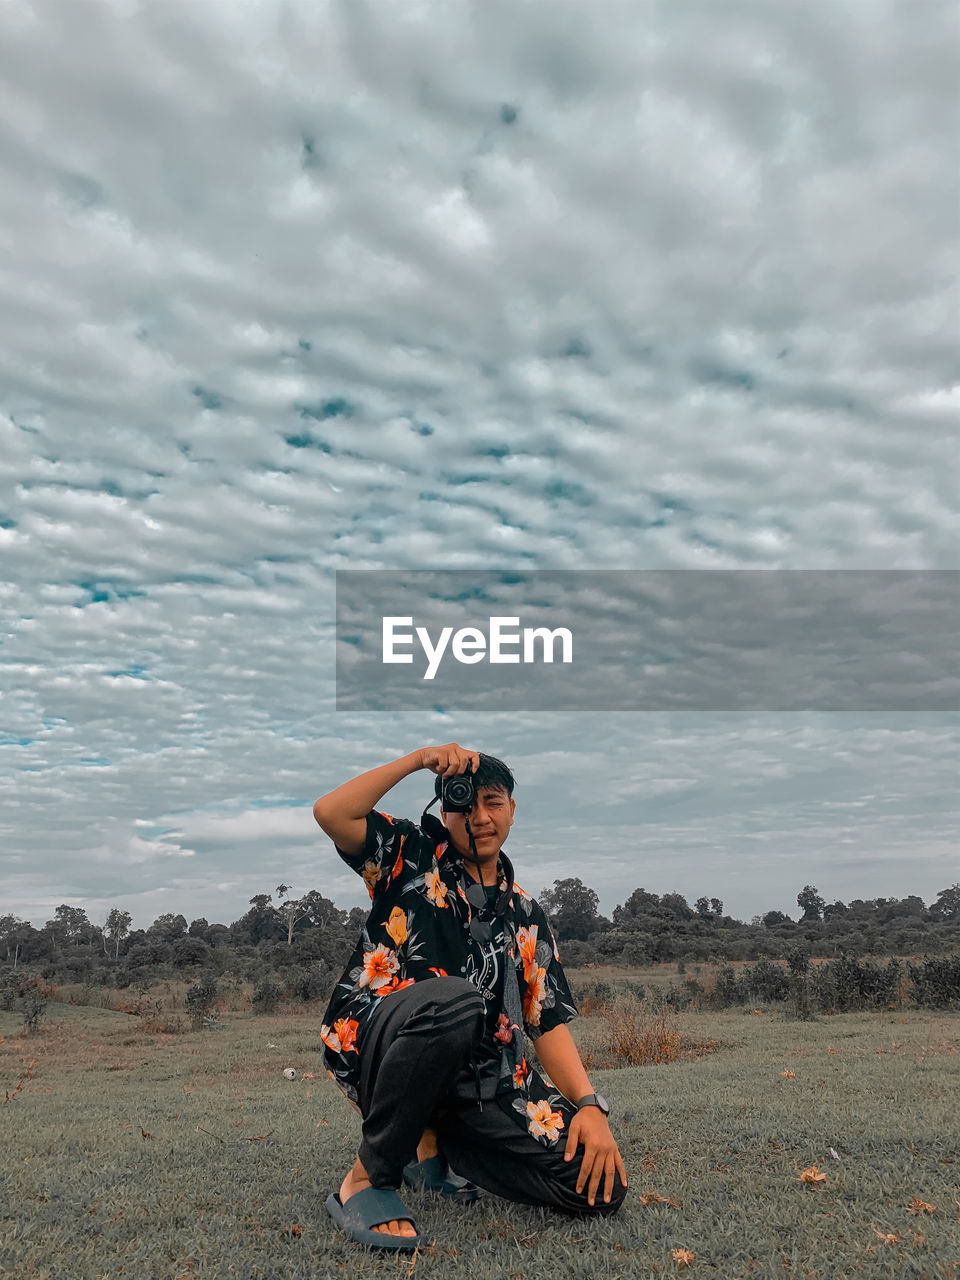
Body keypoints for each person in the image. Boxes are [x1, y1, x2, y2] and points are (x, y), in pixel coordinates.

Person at [313, 742, 628, 1251]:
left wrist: (589, 1105)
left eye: (493, 802)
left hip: (483, 1079)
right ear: (443, 807)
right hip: (382, 1046)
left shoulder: (527, 913)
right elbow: (331, 812)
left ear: (511, 810)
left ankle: (439, 1150)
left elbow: (545, 1020)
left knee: (601, 1188)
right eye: (462, 801)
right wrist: (418, 760)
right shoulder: (408, 855)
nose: (479, 817)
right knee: (457, 1002)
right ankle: (367, 1180)